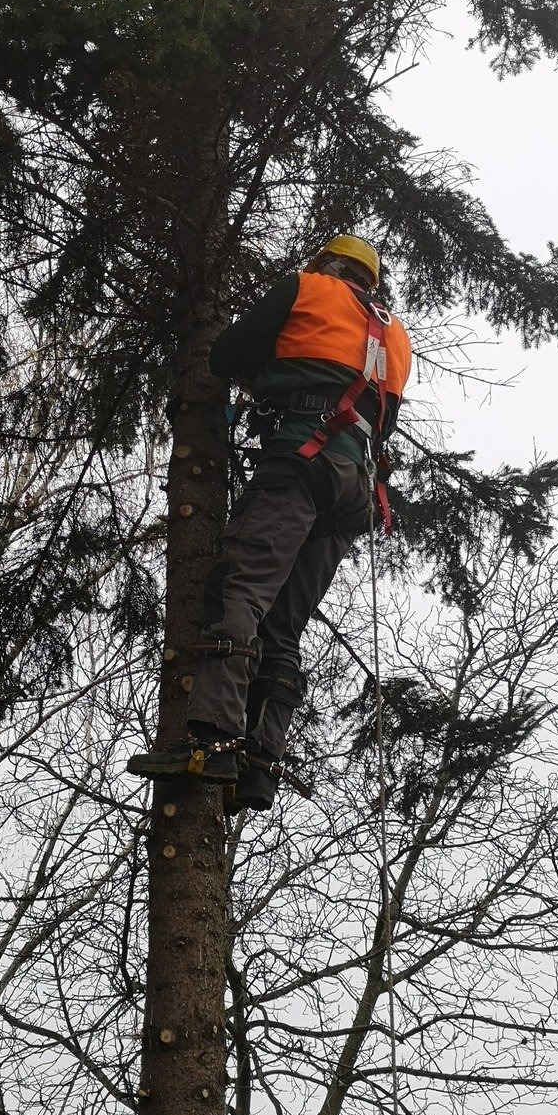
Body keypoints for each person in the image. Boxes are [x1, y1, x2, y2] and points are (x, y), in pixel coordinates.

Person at [128, 234, 412, 811]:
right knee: (284, 626)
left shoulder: (307, 288)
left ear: (327, 266)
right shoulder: (395, 336)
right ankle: (260, 765)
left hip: (302, 458)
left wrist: (263, 379)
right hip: (355, 486)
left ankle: (209, 741)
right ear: (370, 280)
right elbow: (379, 414)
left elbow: (228, 353)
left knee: (240, 589)